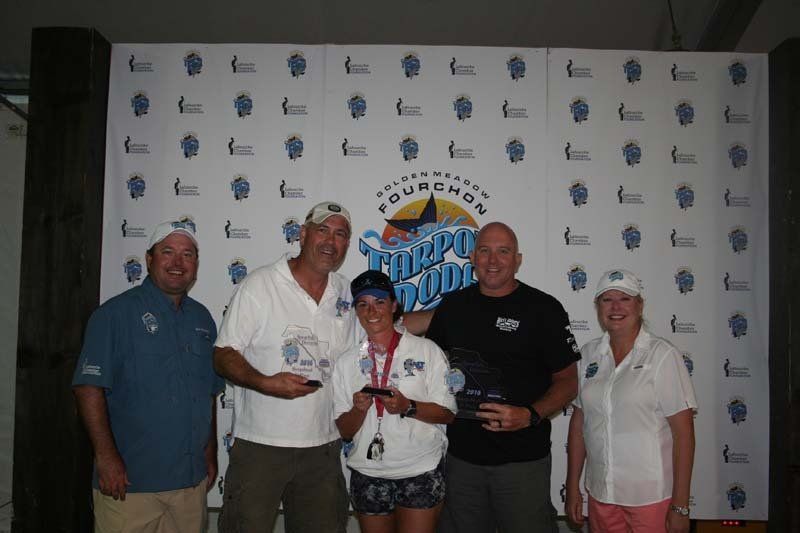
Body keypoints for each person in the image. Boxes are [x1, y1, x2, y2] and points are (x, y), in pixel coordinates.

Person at [405, 221, 579, 533]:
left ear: (518, 260)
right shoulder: (454, 306)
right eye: (484, 251)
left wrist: (530, 415)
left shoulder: (544, 309)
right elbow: (424, 355)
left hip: (522, 461)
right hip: (462, 461)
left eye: (503, 251)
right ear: (472, 257)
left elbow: (568, 381)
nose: (493, 260)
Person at [214, 201, 357, 533]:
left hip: (323, 447)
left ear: (347, 245)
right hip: (261, 447)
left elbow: (376, 335)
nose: (330, 241)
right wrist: (264, 382)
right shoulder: (259, 285)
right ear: (303, 235)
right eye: (322, 230)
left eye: (340, 234)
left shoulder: (346, 293)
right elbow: (223, 354)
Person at [72, 219, 222, 533]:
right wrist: (106, 457)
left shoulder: (204, 319)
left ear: (196, 265)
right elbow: (88, 387)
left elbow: (208, 392)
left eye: (188, 254)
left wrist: (210, 452)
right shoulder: (113, 315)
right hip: (130, 481)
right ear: (149, 259)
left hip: (189, 483)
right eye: (167, 252)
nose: (178, 262)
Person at [565, 269, 696, 533]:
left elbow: (684, 435)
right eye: (606, 299)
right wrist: (572, 487)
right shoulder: (589, 354)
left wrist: (680, 506)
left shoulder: (662, 356)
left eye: (624, 298)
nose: (615, 307)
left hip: (650, 499)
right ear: (597, 306)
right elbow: (579, 425)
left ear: (640, 304)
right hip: (602, 495)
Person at [333, 270, 456, 533]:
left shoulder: (427, 350)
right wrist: (359, 409)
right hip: (368, 472)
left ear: (394, 305)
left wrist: (408, 407)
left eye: (379, 302)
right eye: (362, 304)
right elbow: (344, 430)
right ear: (355, 310)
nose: (371, 310)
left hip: (419, 468)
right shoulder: (346, 362)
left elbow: (447, 413)